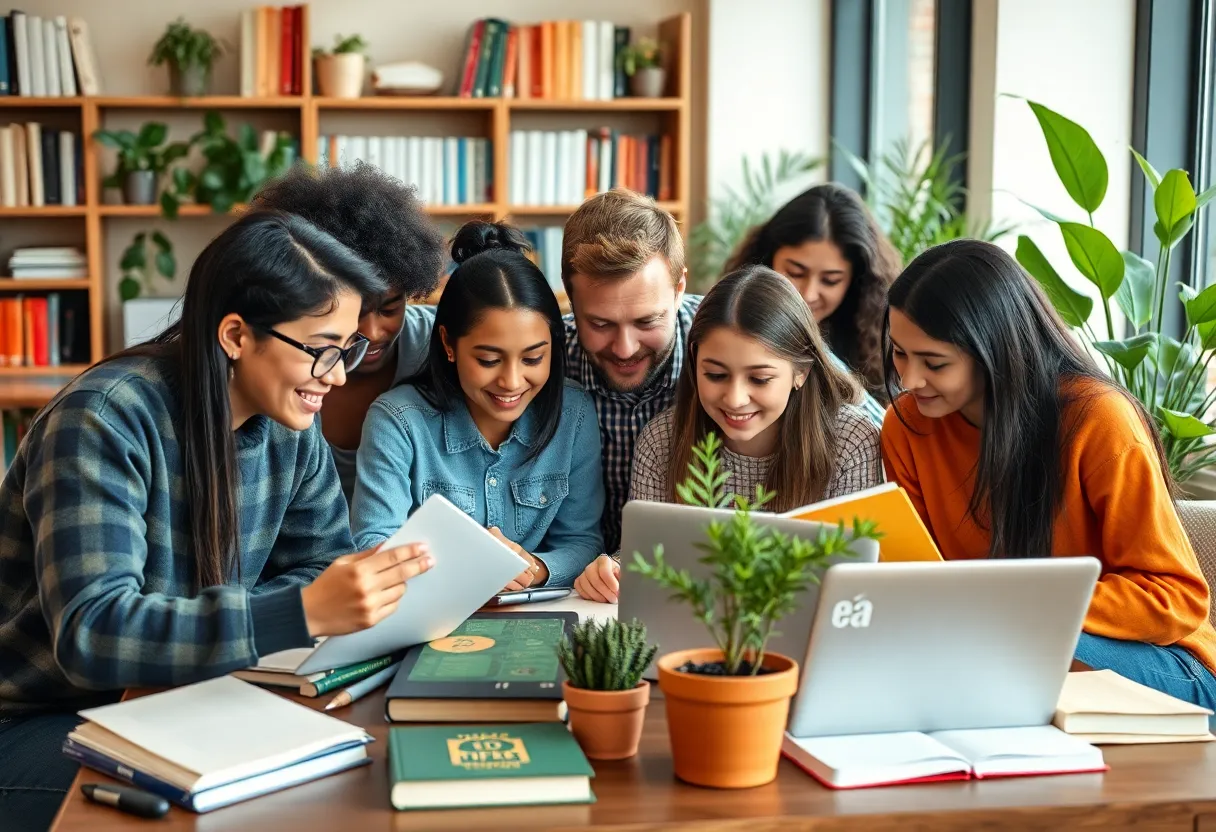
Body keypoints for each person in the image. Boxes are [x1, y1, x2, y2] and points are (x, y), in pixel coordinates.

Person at [0, 211, 435, 831]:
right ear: (236, 335)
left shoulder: (289, 425)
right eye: (322, 350)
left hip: (173, 700)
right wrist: (302, 611)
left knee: (342, 781)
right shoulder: (103, 420)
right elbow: (93, 634)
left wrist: (318, 599)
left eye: (349, 350)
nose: (337, 376)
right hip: (40, 718)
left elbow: (318, 564)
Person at [394, 189, 887, 555]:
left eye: (647, 321)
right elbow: (425, 333)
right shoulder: (534, 357)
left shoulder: (734, 340)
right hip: (578, 583)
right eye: (600, 323)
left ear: (679, 288)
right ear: (569, 297)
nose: (625, 347)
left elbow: (854, 410)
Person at [880, 238, 1216, 711]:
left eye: (935, 363)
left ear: (995, 350)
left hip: (1166, 663)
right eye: (899, 353)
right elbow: (922, 577)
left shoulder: (1098, 420)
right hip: (993, 649)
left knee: (1007, 652)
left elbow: (1176, 599)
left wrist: (1017, 604)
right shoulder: (908, 426)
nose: (910, 381)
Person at [574, 265, 882, 603]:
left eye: (759, 379)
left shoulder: (851, 440)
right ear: (695, 363)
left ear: (801, 372)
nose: (735, 398)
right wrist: (613, 570)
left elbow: (857, 578)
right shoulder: (663, 440)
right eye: (716, 375)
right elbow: (645, 557)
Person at [351, 221, 604, 591]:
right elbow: (373, 547)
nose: (512, 382)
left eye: (533, 359)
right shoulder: (398, 422)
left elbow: (583, 542)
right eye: (488, 360)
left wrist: (536, 568)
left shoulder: (575, 414)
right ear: (448, 345)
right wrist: (467, 570)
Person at [249, 162, 448, 503]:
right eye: (355, 313)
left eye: (389, 308)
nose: (371, 331)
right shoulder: (280, 361)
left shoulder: (440, 345)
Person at [725, 183, 901, 400]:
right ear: (767, 258)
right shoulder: (731, 319)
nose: (807, 294)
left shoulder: (876, 345)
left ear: (856, 281)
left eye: (830, 280)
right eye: (795, 272)